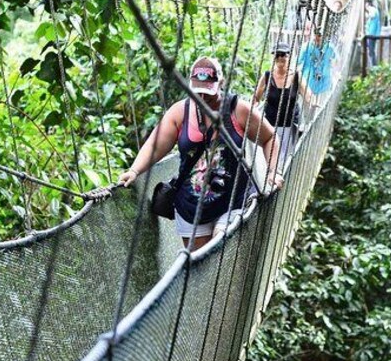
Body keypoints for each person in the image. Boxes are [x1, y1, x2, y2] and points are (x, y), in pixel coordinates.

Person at [118, 57, 284, 251]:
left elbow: (270, 137)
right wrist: (134, 171)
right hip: (191, 208)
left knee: (219, 247)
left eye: (209, 93)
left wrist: (273, 171)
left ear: (220, 84)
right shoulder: (180, 112)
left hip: (232, 201)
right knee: (199, 269)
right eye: (198, 92)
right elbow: (155, 146)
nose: (203, 98)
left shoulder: (239, 110)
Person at [252, 42, 309, 171]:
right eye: (277, 55)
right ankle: (271, 183)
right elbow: (256, 97)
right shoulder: (267, 76)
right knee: (272, 158)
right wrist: (251, 109)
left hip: (290, 126)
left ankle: (277, 182)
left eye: (283, 55)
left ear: (289, 56)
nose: (280, 58)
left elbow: (308, 96)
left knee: (285, 161)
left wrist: (315, 105)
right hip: (271, 126)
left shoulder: (296, 76)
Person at [298, 30, 335, 100]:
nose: (317, 37)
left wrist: (335, 73)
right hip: (308, 87)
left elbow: (336, 61)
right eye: (316, 35)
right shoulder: (306, 47)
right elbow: (297, 63)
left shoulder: (330, 47)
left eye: (320, 35)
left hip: (325, 86)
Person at [365, 1, 382, 67]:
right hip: (373, 33)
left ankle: (374, 65)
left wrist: (367, 16)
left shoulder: (372, 9)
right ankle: (373, 64)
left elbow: (372, 15)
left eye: (366, 6)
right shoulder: (374, 10)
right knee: (371, 50)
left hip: (372, 34)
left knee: (371, 50)